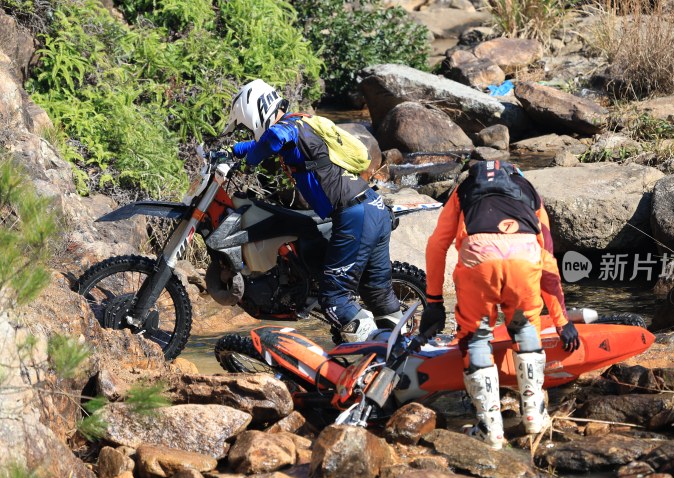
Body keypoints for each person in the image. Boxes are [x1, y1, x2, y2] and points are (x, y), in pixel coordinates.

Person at [222, 79, 402, 341]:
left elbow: (273, 138)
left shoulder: (287, 128)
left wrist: (250, 160)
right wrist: (232, 151)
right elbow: (267, 143)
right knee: (377, 292)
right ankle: (402, 349)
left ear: (256, 112)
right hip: (372, 206)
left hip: (354, 215)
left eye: (249, 128)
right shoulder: (301, 123)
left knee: (334, 300)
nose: (252, 134)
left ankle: (374, 352)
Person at [419, 160, 580, 449]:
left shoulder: (463, 190)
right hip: (525, 262)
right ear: (514, 174)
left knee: (477, 336)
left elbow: (436, 245)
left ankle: (489, 428)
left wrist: (433, 300)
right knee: (523, 327)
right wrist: (562, 321)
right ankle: (534, 416)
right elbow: (548, 260)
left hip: (479, 265)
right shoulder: (529, 192)